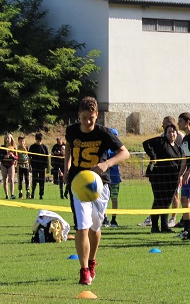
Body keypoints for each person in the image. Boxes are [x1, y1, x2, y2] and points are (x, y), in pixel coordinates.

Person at [64, 96, 129, 285]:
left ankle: (92, 260)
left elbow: (125, 152)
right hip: (78, 184)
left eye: (91, 117)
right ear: (79, 116)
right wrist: (67, 167)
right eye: (84, 118)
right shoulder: (72, 131)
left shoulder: (104, 133)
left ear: (97, 115)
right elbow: (68, 146)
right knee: (82, 226)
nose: (88, 121)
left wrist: (106, 164)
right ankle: (84, 270)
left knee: (95, 226)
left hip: (99, 185)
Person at [143, 124, 183, 233]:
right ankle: (155, 227)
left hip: (172, 179)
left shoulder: (178, 148)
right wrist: (153, 156)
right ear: (165, 133)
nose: (172, 134)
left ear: (177, 133)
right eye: (169, 132)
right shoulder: (161, 141)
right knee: (159, 201)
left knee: (166, 202)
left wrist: (180, 176)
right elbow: (146, 144)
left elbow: (181, 163)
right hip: (158, 177)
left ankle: (164, 227)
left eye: (174, 132)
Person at [104, 128, 123, 227]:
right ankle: (108, 219)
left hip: (113, 177)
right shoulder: (117, 148)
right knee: (107, 199)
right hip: (106, 177)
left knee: (110, 199)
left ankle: (111, 220)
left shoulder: (114, 148)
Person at [28, 133, 50, 199]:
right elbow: (29, 157)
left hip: (42, 167)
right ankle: (32, 193)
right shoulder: (32, 147)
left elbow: (47, 158)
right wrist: (29, 166)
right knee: (34, 180)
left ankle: (41, 195)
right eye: (37, 140)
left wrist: (48, 167)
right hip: (34, 166)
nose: (39, 141)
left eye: (40, 140)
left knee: (42, 181)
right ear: (35, 139)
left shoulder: (44, 147)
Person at [0, 133, 18, 199]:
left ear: (11, 139)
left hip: (11, 164)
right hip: (4, 164)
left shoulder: (14, 147)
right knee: (5, 180)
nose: (7, 139)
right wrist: (4, 156)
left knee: (11, 179)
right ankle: (6, 195)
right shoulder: (2, 147)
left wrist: (13, 156)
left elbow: (17, 157)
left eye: (8, 138)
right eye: (6, 138)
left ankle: (12, 194)